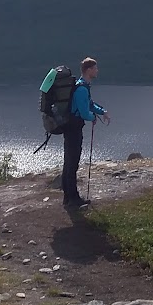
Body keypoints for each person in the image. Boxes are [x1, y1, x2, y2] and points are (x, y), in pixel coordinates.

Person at [61, 56, 110, 209]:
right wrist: (92, 117)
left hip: (70, 127)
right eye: (95, 68)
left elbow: (89, 104)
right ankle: (73, 199)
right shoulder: (82, 89)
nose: (97, 71)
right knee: (72, 163)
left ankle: (68, 197)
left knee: (69, 162)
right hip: (74, 129)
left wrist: (102, 112)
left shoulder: (82, 86)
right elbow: (84, 112)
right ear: (89, 70)